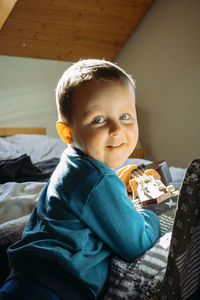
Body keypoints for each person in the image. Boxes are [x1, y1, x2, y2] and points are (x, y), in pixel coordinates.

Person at [0, 59, 160, 300]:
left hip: (30, 277)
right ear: (68, 133)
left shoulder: (72, 163)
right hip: (54, 287)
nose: (116, 128)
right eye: (98, 119)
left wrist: (117, 183)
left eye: (125, 115)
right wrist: (152, 205)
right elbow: (136, 243)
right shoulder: (96, 180)